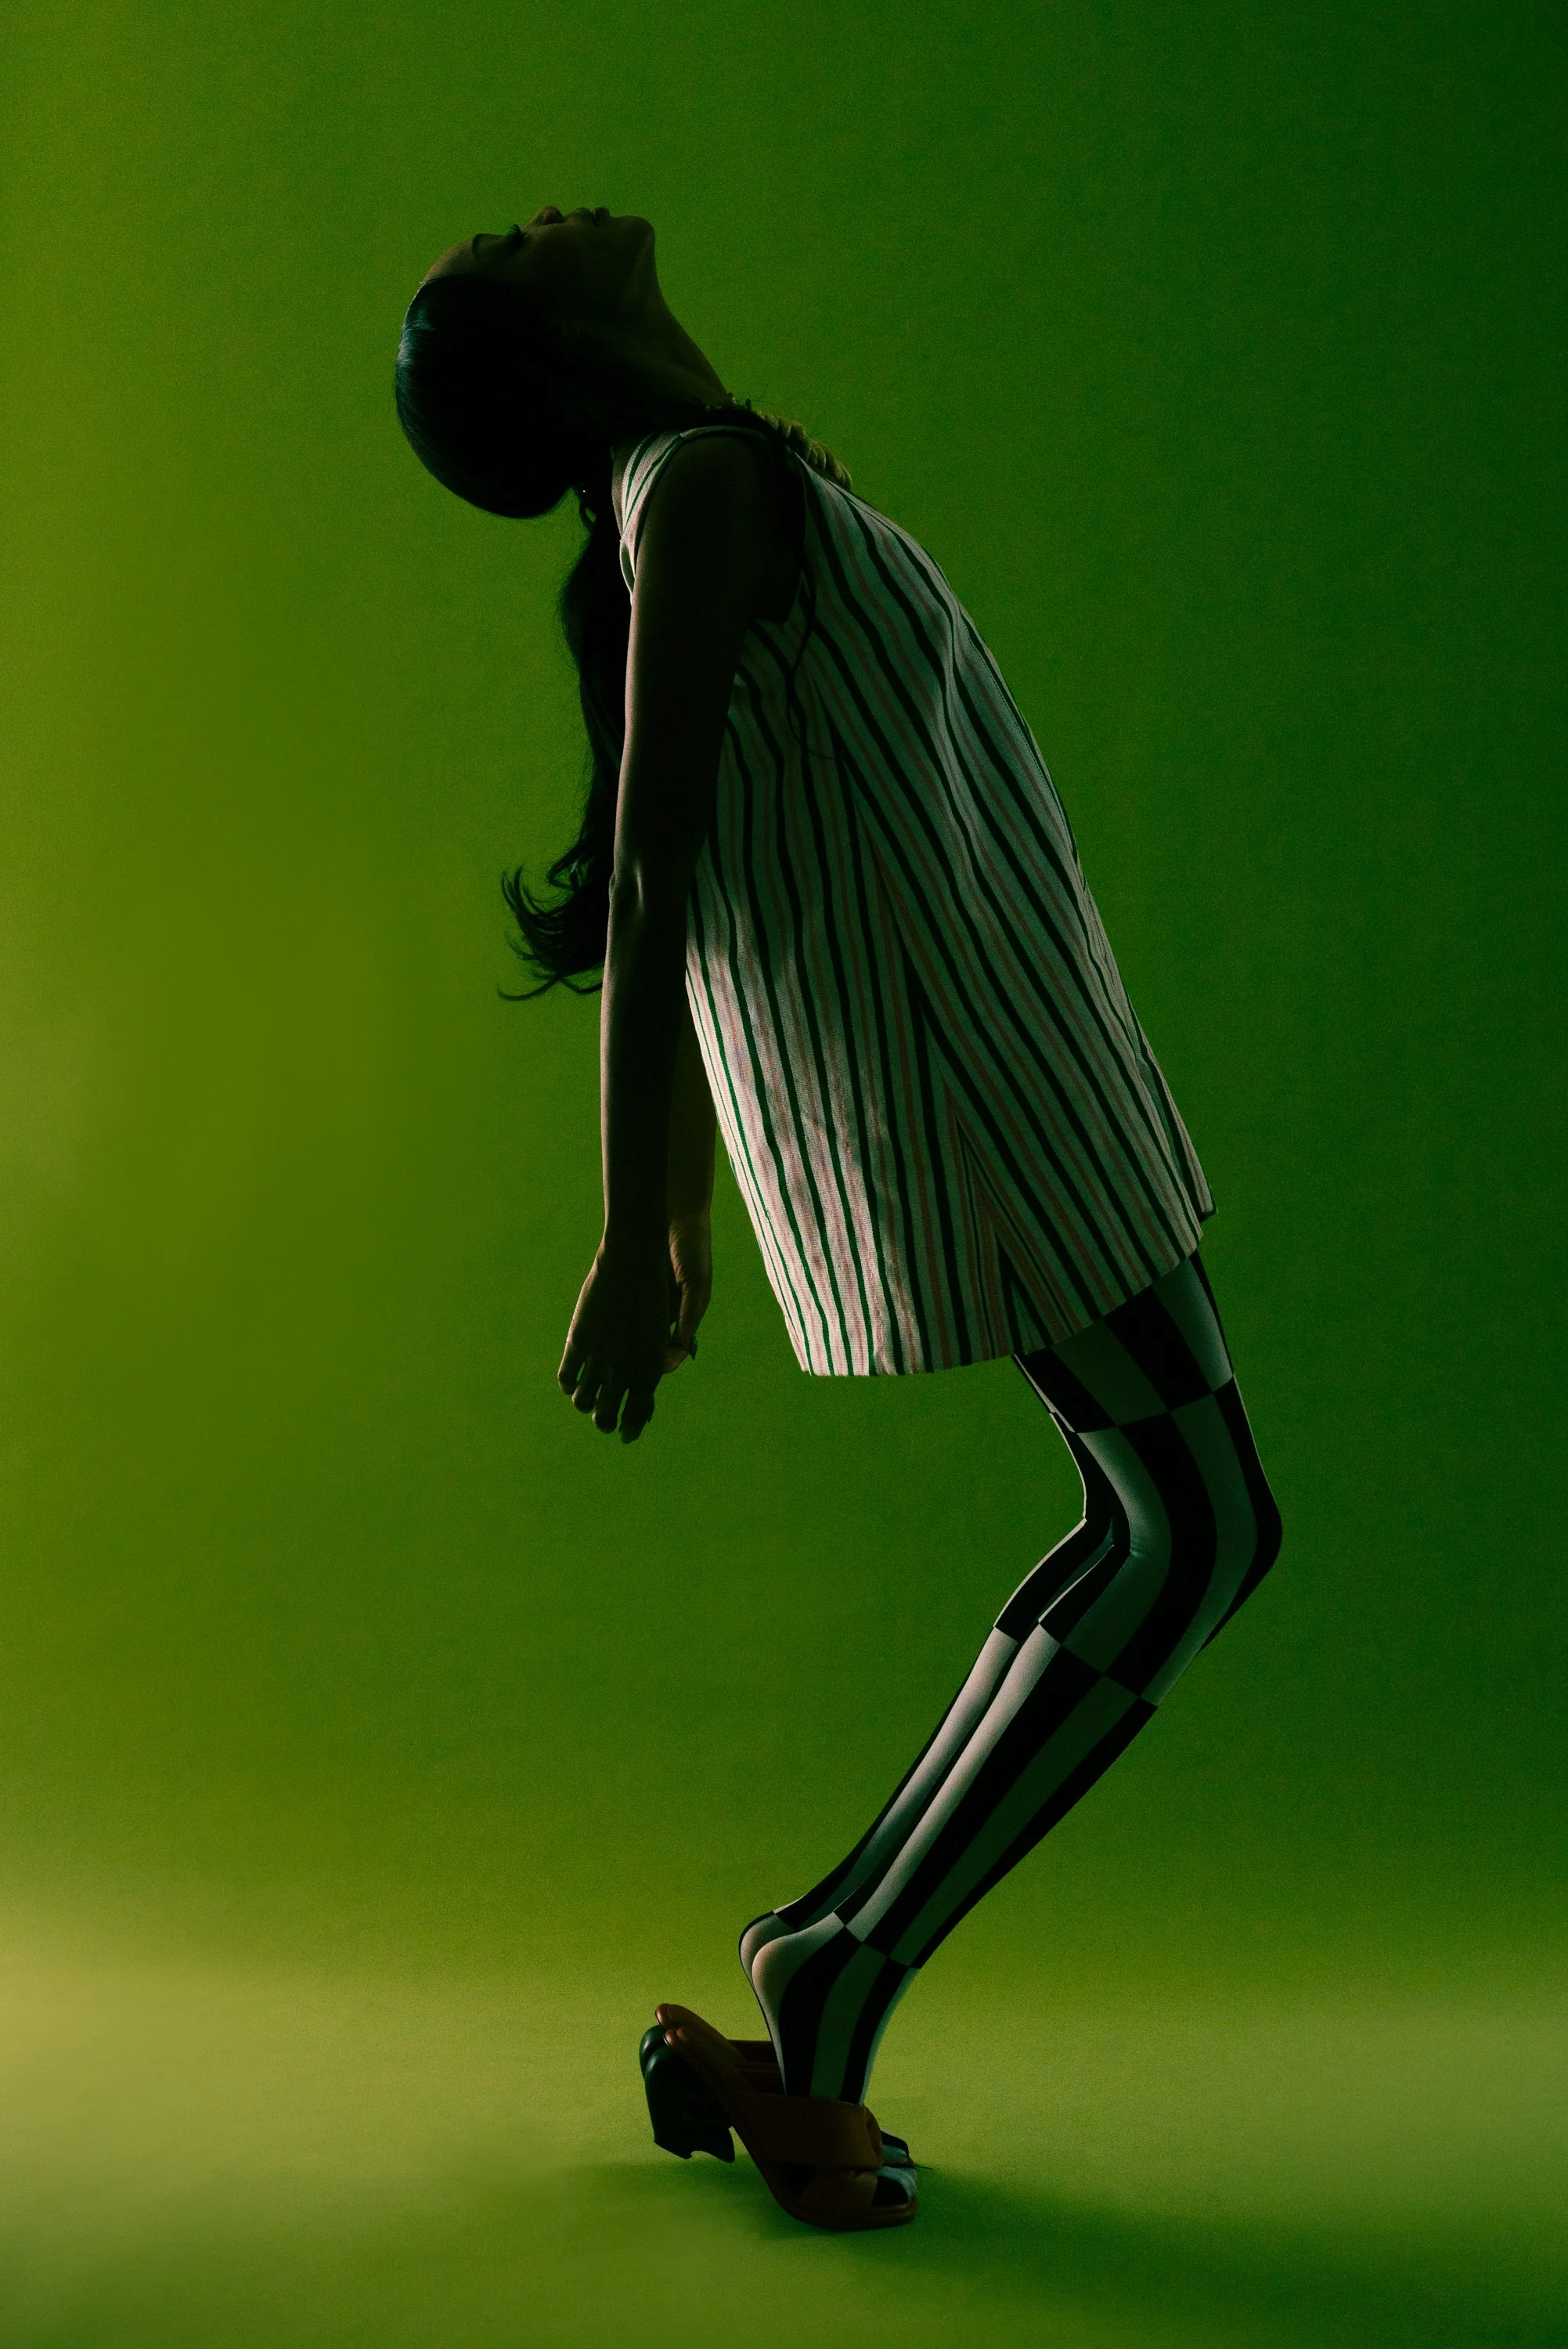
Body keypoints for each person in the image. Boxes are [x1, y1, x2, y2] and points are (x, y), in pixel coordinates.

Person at [395, 206, 1282, 2233]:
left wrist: (680, 1223)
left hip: (1006, 1071)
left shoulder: (718, 476)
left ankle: (831, 1965)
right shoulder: (696, 492)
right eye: (508, 250)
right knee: (1201, 1525)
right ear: (554, 344)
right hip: (987, 1098)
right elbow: (651, 887)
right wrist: (642, 1231)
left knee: (1168, 1518)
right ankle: (840, 1963)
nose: (539, 215)